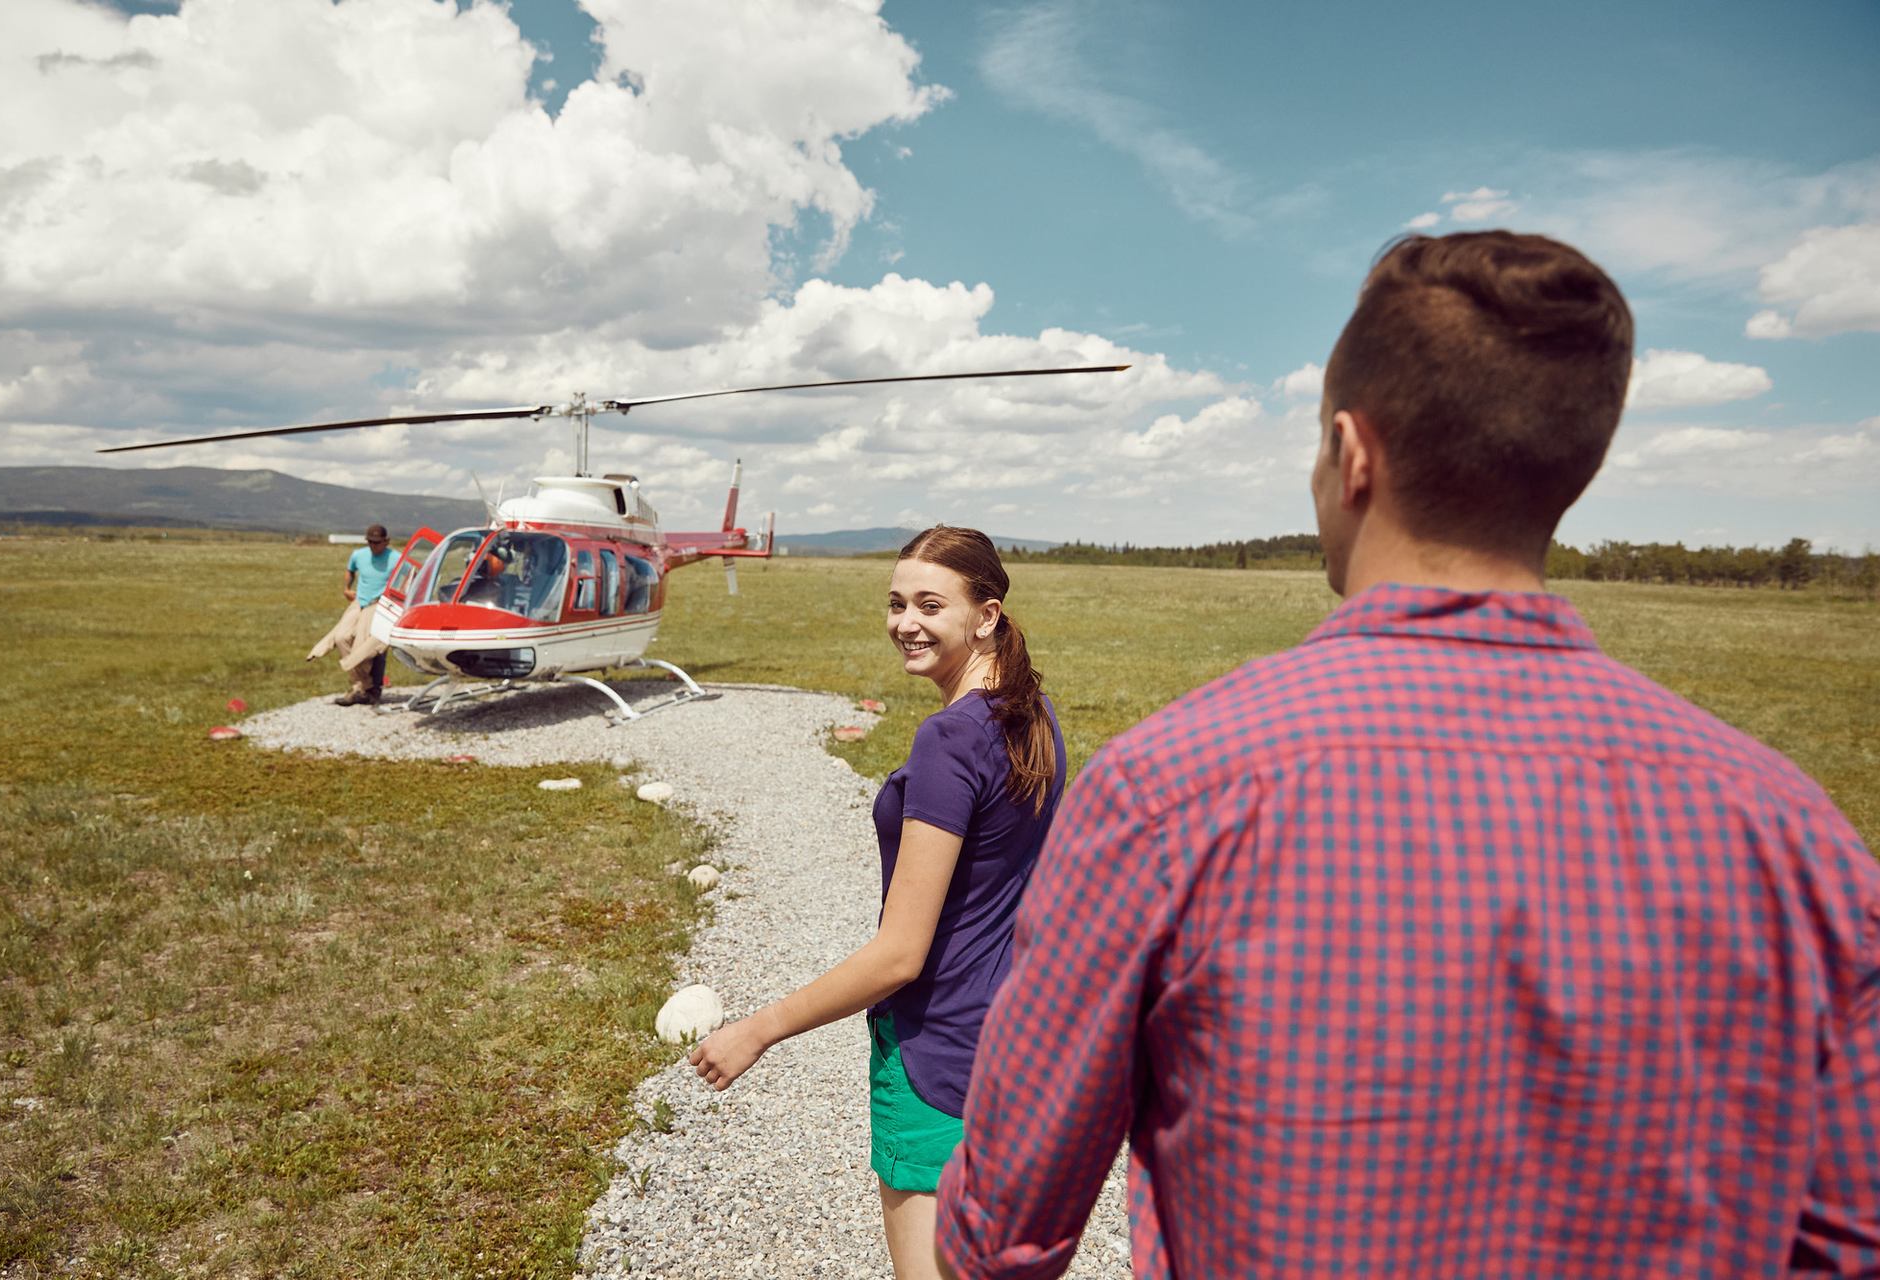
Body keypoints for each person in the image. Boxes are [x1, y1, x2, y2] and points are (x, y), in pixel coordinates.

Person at [935, 232, 1880, 1278]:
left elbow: (1002, 1226)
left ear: (1353, 455)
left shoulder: (1167, 789)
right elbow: (1849, 1237)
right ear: (1572, 466)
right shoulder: (1799, 835)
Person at [689, 526, 1067, 1279]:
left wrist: (756, 1031)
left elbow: (900, 953)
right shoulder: (1032, 716)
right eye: (896, 603)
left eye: (930, 603)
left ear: (985, 615)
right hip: (1021, 1053)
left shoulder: (950, 740)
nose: (905, 623)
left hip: (938, 1059)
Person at [307, 524, 394, 706]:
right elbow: (350, 570)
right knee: (341, 637)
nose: (373, 546)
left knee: (364, 647)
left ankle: (366, 689)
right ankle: (362, 686)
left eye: (377, 543)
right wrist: (347, 589)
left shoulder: (396, 558)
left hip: (378, 605)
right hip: (359, 602)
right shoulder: (358, 555)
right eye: (370, 542)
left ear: (386, 541)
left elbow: (410, 577)